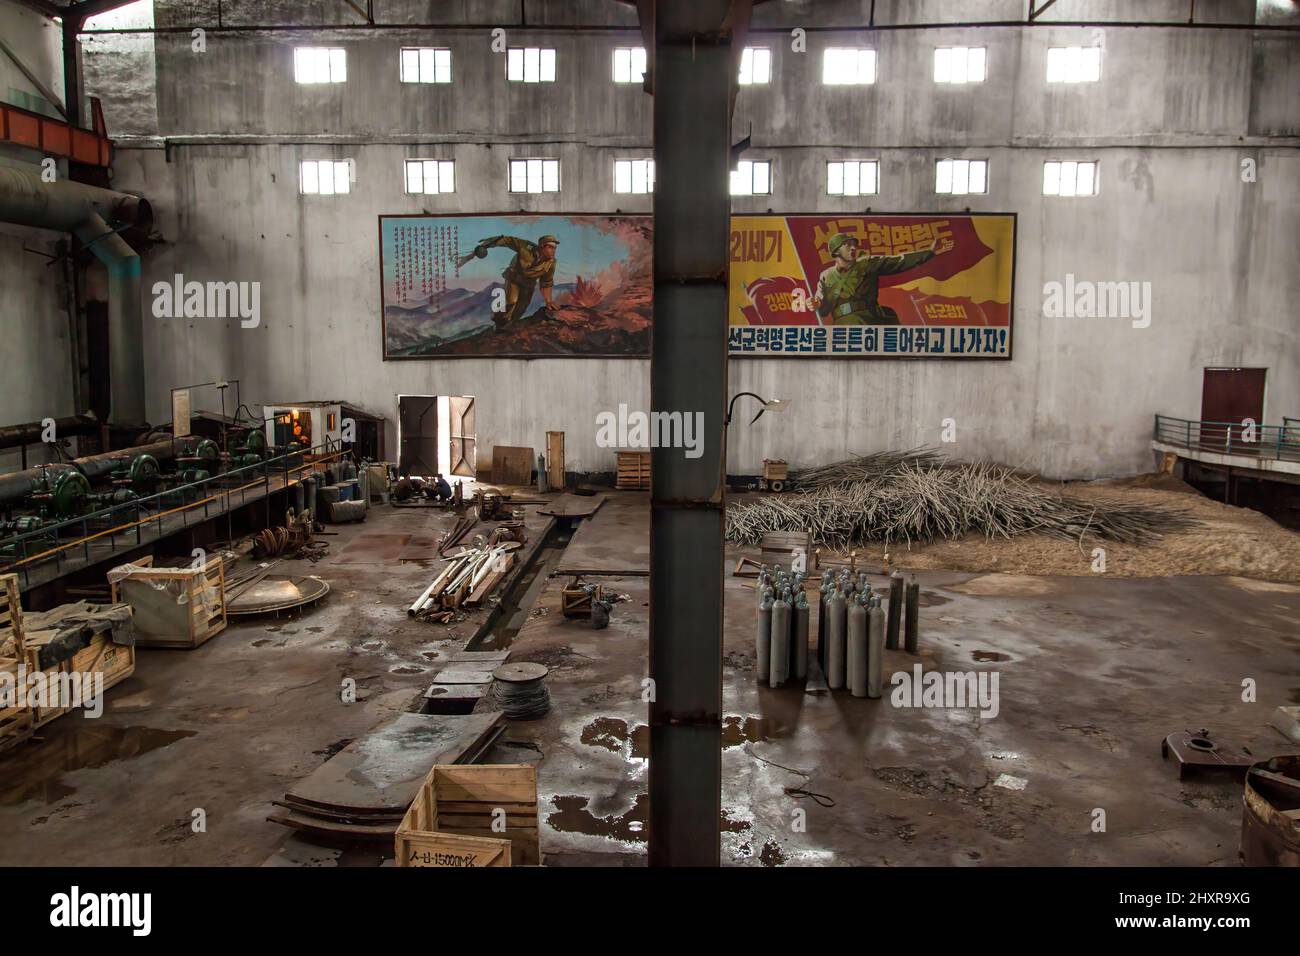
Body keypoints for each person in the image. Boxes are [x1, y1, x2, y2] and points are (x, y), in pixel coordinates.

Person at [813, 232, 946, 325]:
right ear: (836, 251)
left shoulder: (868, 263)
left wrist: (929, 253)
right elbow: (822, 308)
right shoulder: (826, 276)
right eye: (847, 245)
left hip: (867, 320)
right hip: (842, 326)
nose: (853, 248)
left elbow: (899, 261)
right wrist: (816, 304)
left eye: (854, 244)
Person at [460, 234, 560, 327]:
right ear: (542, 246)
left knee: (522, 307)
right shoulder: (525, 247)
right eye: (550, 247)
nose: (554, 251)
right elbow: (507, 240)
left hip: (529, 284)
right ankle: (498, 321)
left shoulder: (551, 262)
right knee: (511, 301)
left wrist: (548, 300)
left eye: (555, 248)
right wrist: (486, 245)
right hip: (514, 279)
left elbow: (546, 282)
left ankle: (509, 326)